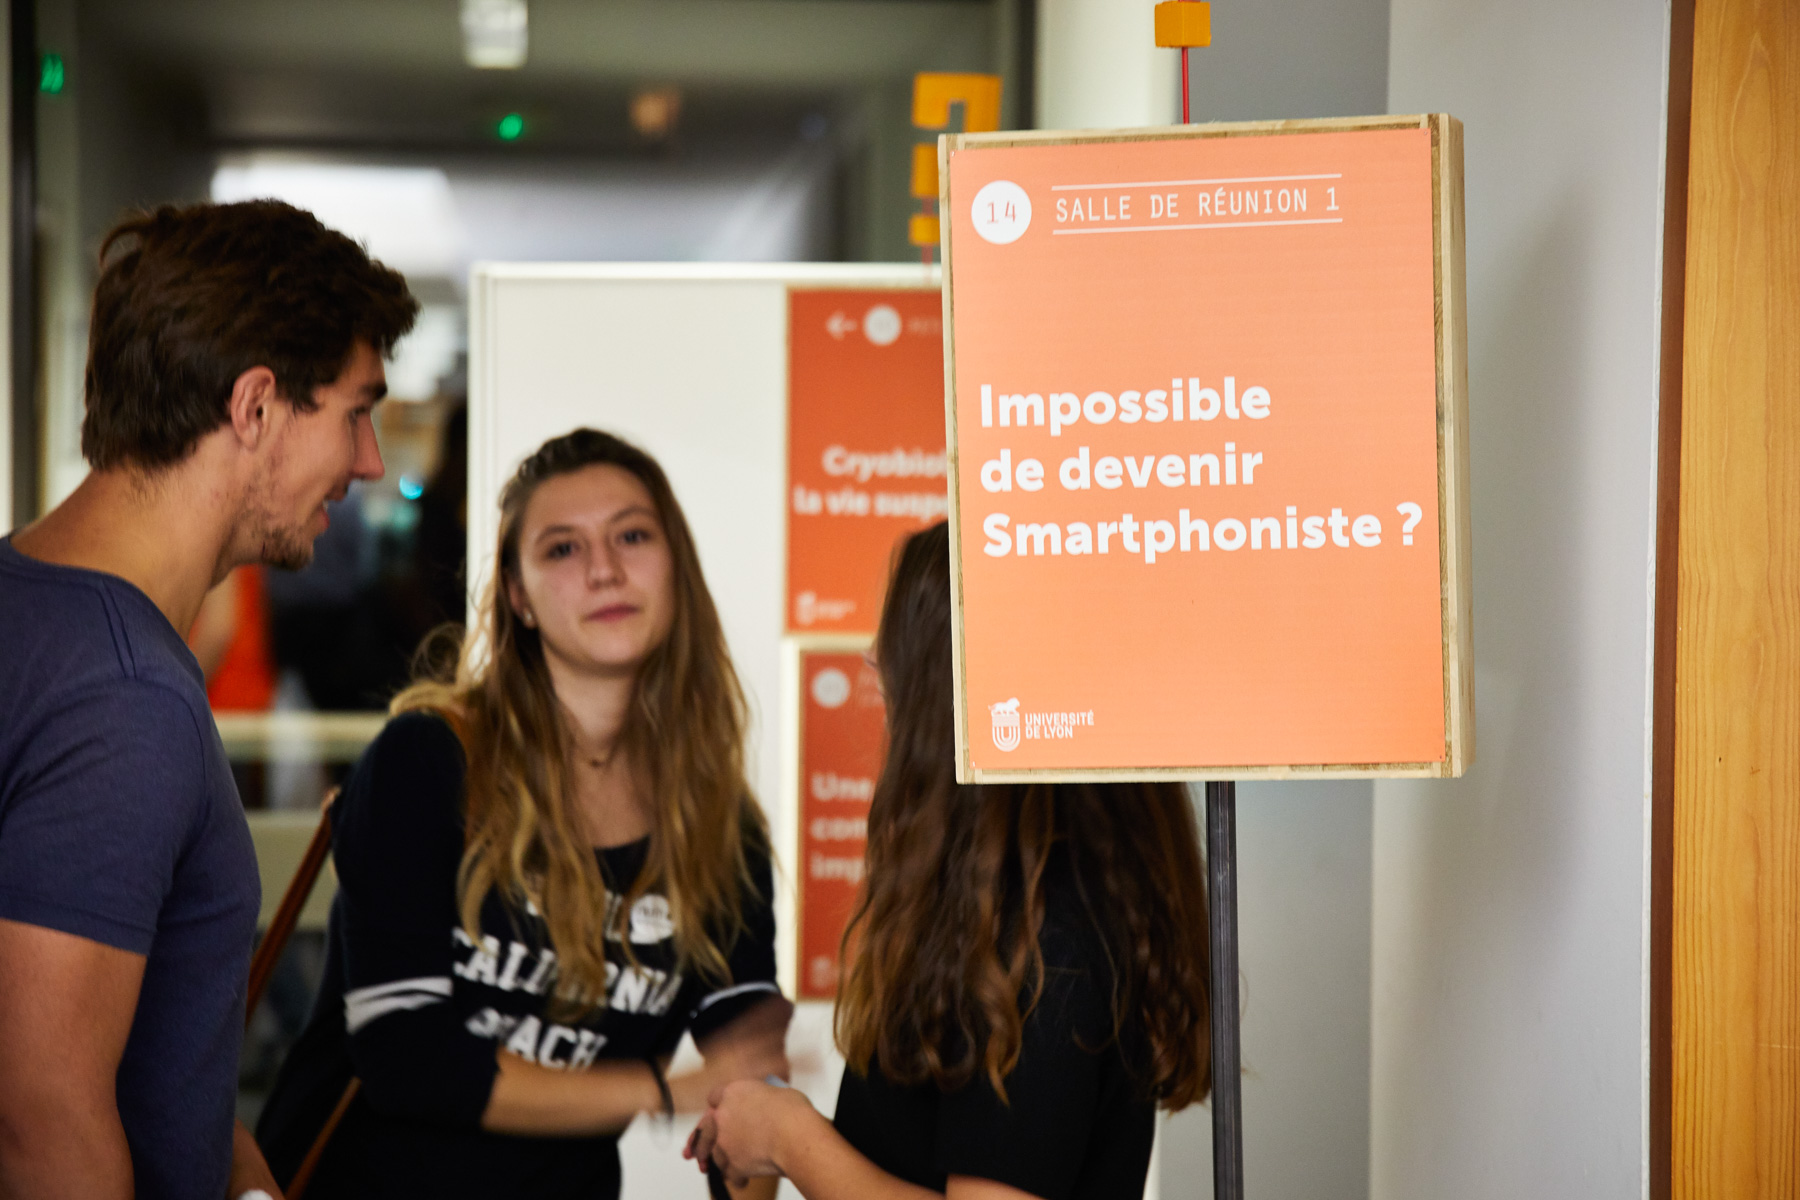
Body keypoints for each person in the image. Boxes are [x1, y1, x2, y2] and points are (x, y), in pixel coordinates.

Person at [0, 200, 418, 1199]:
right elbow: (44, 1122)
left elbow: (132, 1058)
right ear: (255, 406)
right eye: (354, 413)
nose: (369, 462)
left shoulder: (43, 614)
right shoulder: (126, 696)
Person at [256, 428, 791, 1199]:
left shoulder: (718, 828)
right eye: (562, 549)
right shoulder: (428, 759)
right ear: (518, 596)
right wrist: (661, 1089)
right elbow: (407, 1059)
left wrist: (748, 1116)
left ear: (676, 563)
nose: (604, 569)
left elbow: (746, 1082)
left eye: (632, 536)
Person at [688, 521, 1213, 1199]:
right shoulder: (1004, 911)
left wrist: (790, 1139)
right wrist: (770, 1130)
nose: (875, 656)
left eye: (900, 639)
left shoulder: (1046, 936)